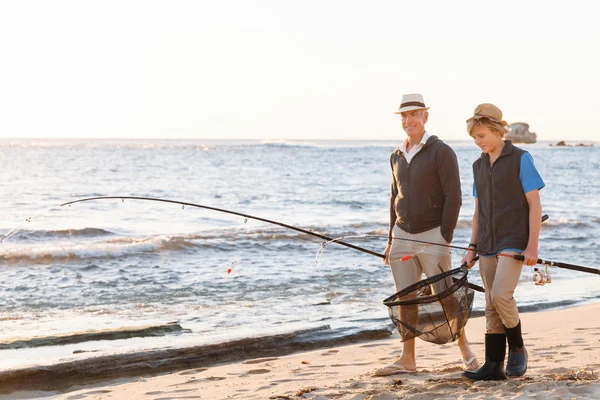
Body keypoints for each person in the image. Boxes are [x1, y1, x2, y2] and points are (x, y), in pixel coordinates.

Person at [375, 93, 479, 376]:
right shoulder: (396, 154)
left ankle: (465, 350)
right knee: (404, 297)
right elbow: (394, 197)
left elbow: (453, 197)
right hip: (401, 235)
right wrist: (390, 240)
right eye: (404, 116)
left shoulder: (441, 151)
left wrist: (444, 237)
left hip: (433, 235)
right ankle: (407, 358)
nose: (409, 121)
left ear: (425, 117)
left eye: (414, 115)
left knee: (445, 294)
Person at [461, 103, 545, 381]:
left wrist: (532, 245)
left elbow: (534, 204)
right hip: (486, 240)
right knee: (489, 303)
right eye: (475, 137)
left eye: (482, 135)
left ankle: (518, 347)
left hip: (513, 239)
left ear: (498, 131)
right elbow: (478, 210)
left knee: (500, 295)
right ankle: (493, 365)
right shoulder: (477, 166)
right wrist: (472, 246)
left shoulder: (521, 158)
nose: (478, 141)